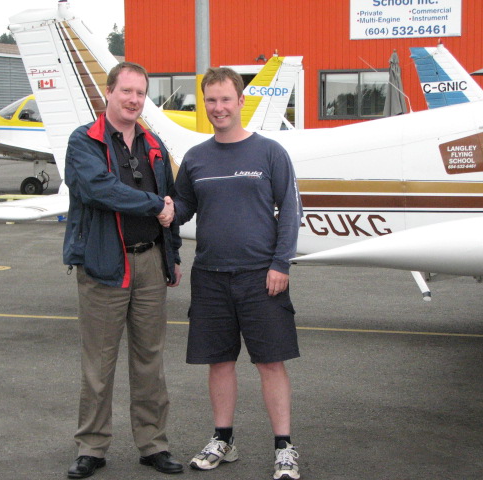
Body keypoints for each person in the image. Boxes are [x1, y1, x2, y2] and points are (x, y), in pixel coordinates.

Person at [171, 67, 303, 480]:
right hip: (209, 276)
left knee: (270, 363)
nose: (218, 107)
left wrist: (281, 263)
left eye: (226, 99)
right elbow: (179, 210)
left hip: (261, 277)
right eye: (211, 100)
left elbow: (291, 211)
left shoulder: (269, 152)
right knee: (220, 363)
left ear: (241, 101)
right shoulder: (195, 158)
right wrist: (146, 207)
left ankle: (284, 447)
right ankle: (223, 440)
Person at [63, 61, 183, 479]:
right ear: (108, 93)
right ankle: (91, 448)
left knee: (150, 359)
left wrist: (173, 255)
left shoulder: (152, 141)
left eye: (140, 93)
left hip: (150, 260)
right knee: (99, 362)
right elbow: (99, 190)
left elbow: (171, 198)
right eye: (126, 91)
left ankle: (153, 444)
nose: (133, 99)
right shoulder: (84, 142)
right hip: (104, 263)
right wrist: (155, 206)